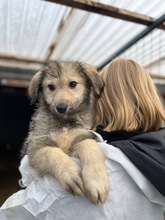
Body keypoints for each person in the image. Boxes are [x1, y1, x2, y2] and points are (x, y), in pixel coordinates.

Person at [0, 58, 165, 220]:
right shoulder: (156, 151)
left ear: (100, 98)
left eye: (73, 85)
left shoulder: (111, 161)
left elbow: (18, 211)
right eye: (51, 87)